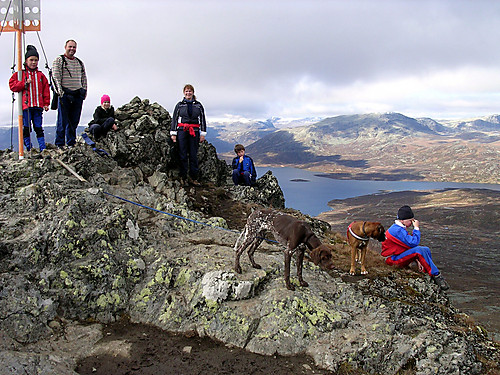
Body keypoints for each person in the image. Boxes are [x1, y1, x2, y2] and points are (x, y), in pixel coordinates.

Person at [381, 205, 449, 290]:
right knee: (419, 250)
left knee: (425, 249)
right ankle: (436, 275)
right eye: (410, 220)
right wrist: (416, 228)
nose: (412, 222)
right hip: (391, 260)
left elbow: (405, 246)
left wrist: (417, 259)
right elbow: (413, 243)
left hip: (396, 256)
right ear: (402, 220)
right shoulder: (397, 230)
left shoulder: (398, 228)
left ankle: (426, 271)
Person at [8, 45, 50, 152]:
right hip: (26, 106)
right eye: (31, 60)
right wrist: (23, 84)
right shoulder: (20, 74)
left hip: (38, 106)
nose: (33, 62)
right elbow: (12, 86)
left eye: (36, 60)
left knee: (38, 128)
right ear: (26, 61)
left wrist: (46, 103)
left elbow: (46, 90)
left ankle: (42, 148)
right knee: (26, 128)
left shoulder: (41, 76)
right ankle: (29, 148)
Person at [52, 39, 87, 149]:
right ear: (65, 47)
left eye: (74, 47)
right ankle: (60, 144)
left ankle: (71, 143)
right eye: (70, 46)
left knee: (74, 121)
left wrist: (84, 91)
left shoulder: (79, 62)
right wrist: (60, 92)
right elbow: (55, 77)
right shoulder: (59, 60)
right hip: (65, 94)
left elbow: (84, 78)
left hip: (77, 95)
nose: (72, 49)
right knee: (62, 121)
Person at [170, 84, 207, 186]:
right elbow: (175, 119)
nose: (188, 93)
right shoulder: (179, 105)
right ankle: (183, 177)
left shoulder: (198, 105)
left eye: (190, 91)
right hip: (182, 130)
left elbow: (202, 119)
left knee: (193, 155)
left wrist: (202, 133)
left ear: (193, 93)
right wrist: (173, 133)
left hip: (194, 131)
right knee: (182, 154)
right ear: (184, 93)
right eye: (186, 91)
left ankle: (193, 178)